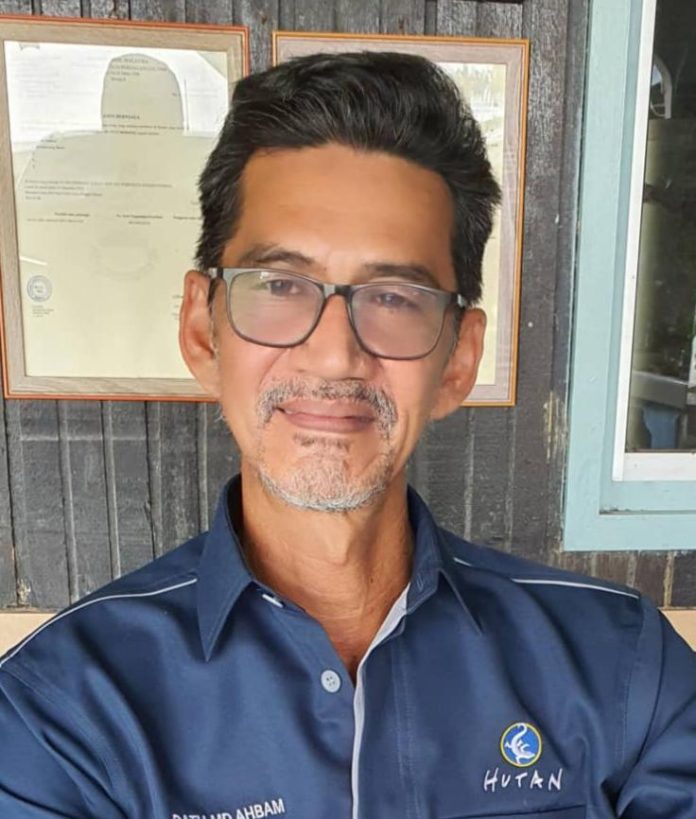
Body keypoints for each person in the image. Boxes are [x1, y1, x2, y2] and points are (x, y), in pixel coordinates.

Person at [0, 51, 694, 819]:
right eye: (279, 285)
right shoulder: (58, 711)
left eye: (394, 296)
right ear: (202, 330)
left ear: (459, 359)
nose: (335, 354)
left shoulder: (625, 670)